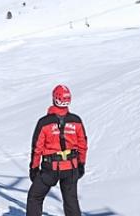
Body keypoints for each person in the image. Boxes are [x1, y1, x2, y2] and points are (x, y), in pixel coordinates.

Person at [26, 84, 88, 216]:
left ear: (54, 99)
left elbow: (37, 148)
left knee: (35, 197)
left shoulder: (44, 122)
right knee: (71, 201)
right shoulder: (76, 121)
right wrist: (81, 164)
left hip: (50, 169)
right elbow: (83, 145)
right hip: (71, 167)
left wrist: (34, 169)